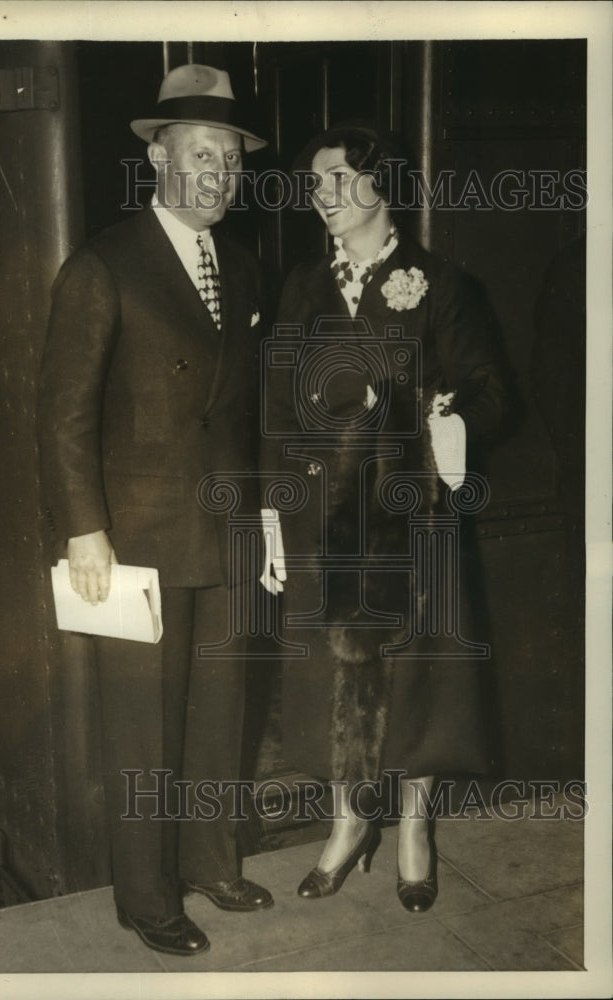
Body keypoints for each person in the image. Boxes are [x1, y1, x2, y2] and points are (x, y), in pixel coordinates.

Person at [37, 64, 273, 957]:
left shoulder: (244, 269)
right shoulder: (105, 264)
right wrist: (83, 527)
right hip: (132, 541)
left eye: (232, 160)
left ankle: (213, 861)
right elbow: (62, 414)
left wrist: (270, 519)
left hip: (226, 529)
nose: (219, 174)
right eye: (202, 154)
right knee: (145, 728)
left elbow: (247, 418)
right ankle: (145, 898)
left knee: (220, 712)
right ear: (159, 156)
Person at [261, 123, 507, 912]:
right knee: (334, 683)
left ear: (381, 184)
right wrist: (273, 506)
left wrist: (444, 419)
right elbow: (271, 403)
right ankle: (346, 825)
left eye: (337, 180)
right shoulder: (301, 284)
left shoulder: (439, 284)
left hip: (413, 518)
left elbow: (493, 393)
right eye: (314, 184)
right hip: (326, 519)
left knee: (419, 680)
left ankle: (412, 829)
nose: (322, 197)